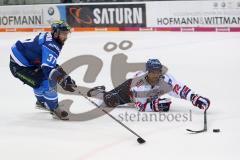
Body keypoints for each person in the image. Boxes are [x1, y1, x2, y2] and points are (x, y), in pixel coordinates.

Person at [9, 20, 77, 120]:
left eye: (66, 34)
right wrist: (62, 80)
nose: (65, 37)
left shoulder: (52, 39)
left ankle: (41, 102)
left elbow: (50, 63)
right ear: (55, 33)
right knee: (46, 83)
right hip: (19, 66)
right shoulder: (51, 46)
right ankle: (54, 109)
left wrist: (65, 77)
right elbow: (47, 69)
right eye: (63, 34)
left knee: (39, 81)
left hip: (29, 61)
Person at [87, 59, 210, 112]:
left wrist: (195, 98)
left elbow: (180, 89)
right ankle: (98, 92)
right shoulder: (139, 85)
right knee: (106, 101)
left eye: (158, 71)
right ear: (148, 72)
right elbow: (139, 106)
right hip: (128, 91)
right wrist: (155, 106)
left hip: (148, 94)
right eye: (153, 72)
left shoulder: (165, 78)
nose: (156, 74)